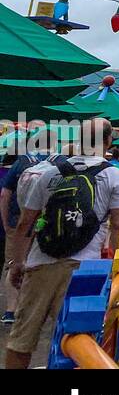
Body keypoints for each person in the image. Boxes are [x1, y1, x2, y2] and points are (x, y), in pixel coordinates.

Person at [4, 118, 119, 369]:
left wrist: (17, 263)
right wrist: (118, 267)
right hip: (85, 269)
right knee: (73, 338)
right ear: (107, 142)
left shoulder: (49, 173)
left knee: (21, 338)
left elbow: (25, 223)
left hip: (41, 263)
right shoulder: (115, 175)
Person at [0, 126, 51, 327]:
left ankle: (11, 310)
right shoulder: (57, 163)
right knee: (37, 265)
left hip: (17, 222)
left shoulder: (22, 162)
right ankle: (31, 309)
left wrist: (6, 223)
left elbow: (5, 194)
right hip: (44, 224)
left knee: (13, 263)